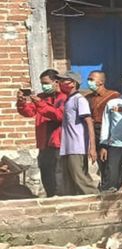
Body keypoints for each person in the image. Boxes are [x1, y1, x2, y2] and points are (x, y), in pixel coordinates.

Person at [16, 69, 66, 197]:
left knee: (58, 172)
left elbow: (58, 115)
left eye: (46, 83)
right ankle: (50, 195)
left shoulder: (64, 98)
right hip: (44, 141)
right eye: (42, 83)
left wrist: (40, 103)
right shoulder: (42, 97)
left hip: (58, 141)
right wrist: (21, 102)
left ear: (56, 82)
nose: (44, 86)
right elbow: (29, 112)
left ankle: (59, 196)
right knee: (45, 169)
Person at [56, 71, 98, 195]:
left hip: (77, 147)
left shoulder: (79, 100)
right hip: (68, 147)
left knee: (81, 179)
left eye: (64, 80)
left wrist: (92, 147)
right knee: (70, 181)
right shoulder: (69, 100)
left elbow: (89, 122)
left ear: (73, 83)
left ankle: (97, 199)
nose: (61, 83)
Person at [85, 70, 119, 186]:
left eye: (91, 79)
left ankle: (111, 185)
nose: (89, 82)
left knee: (111, 163)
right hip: (93, 131)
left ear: (101, 82)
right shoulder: (88, 98)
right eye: (88, 79)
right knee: (101, 162)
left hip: (108, 131)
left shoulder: (113, 96)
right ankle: (105, 184)